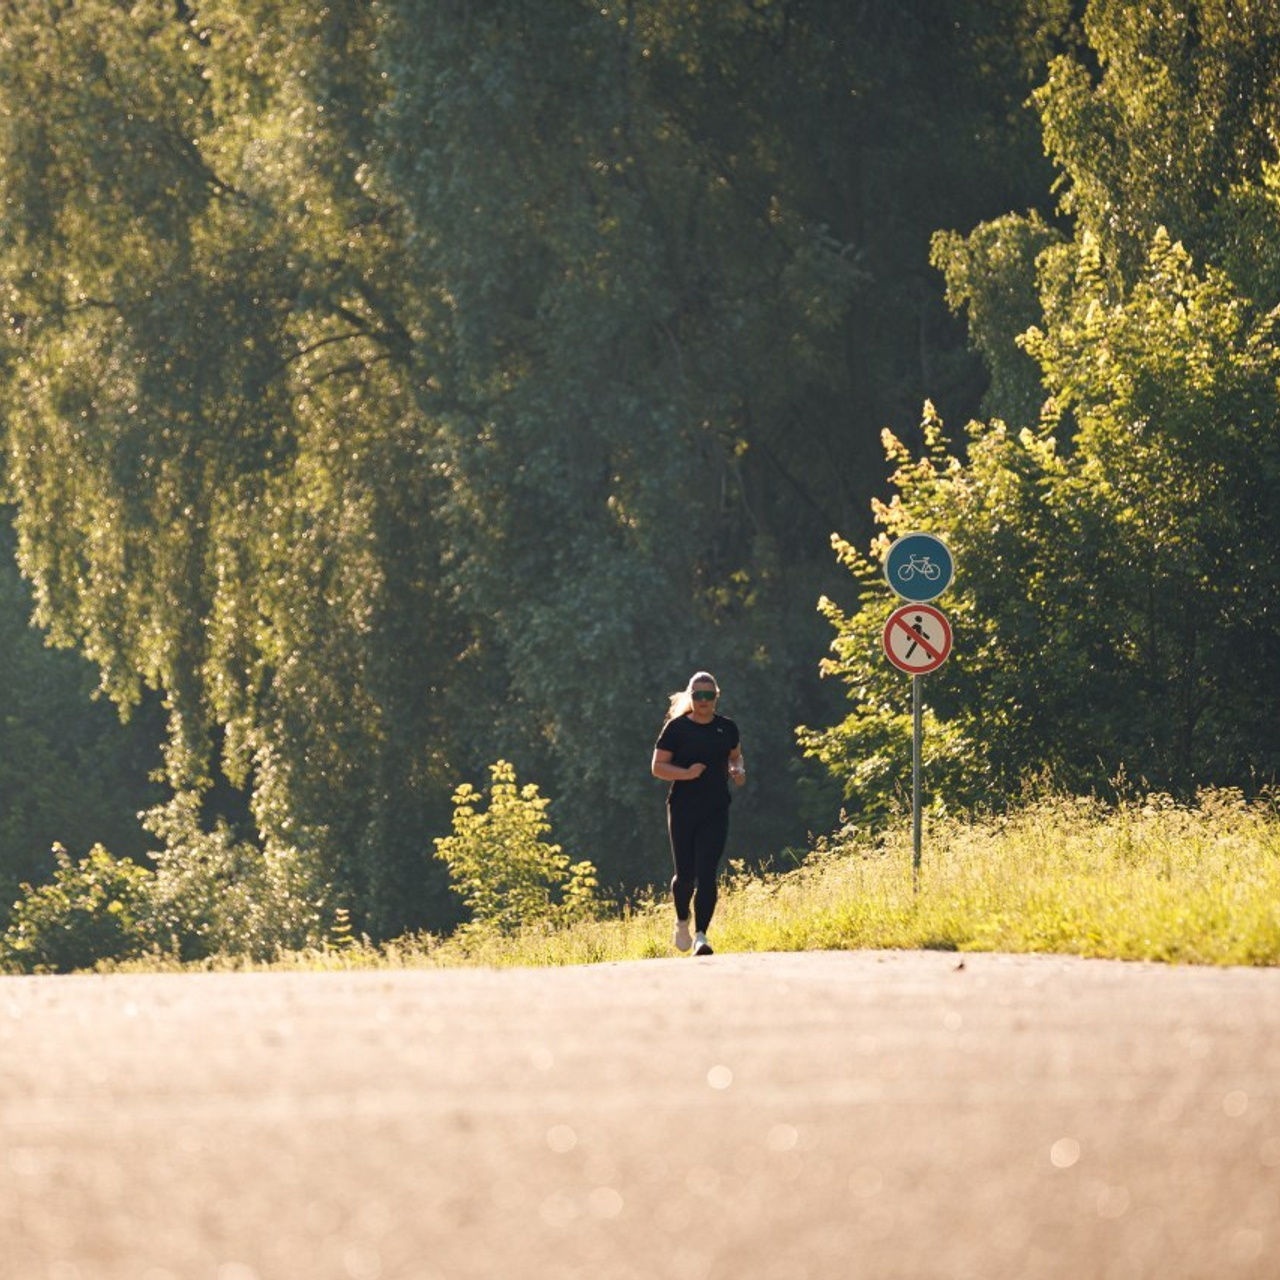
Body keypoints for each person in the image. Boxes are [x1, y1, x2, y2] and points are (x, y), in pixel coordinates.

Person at [651, 671, 746, 956]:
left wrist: (737, 770)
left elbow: (736, 754)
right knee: (686, 875)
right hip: (683, 807)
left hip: (716, 807)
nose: (703, 701)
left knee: (707, 873)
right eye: (698, 696)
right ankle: (682, 922)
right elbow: (657, 767)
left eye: (709, 696)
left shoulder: (727, 727)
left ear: (717, 696)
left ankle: (701, 936)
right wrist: (687, 774)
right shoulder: (677, 728)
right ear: (690, 697)